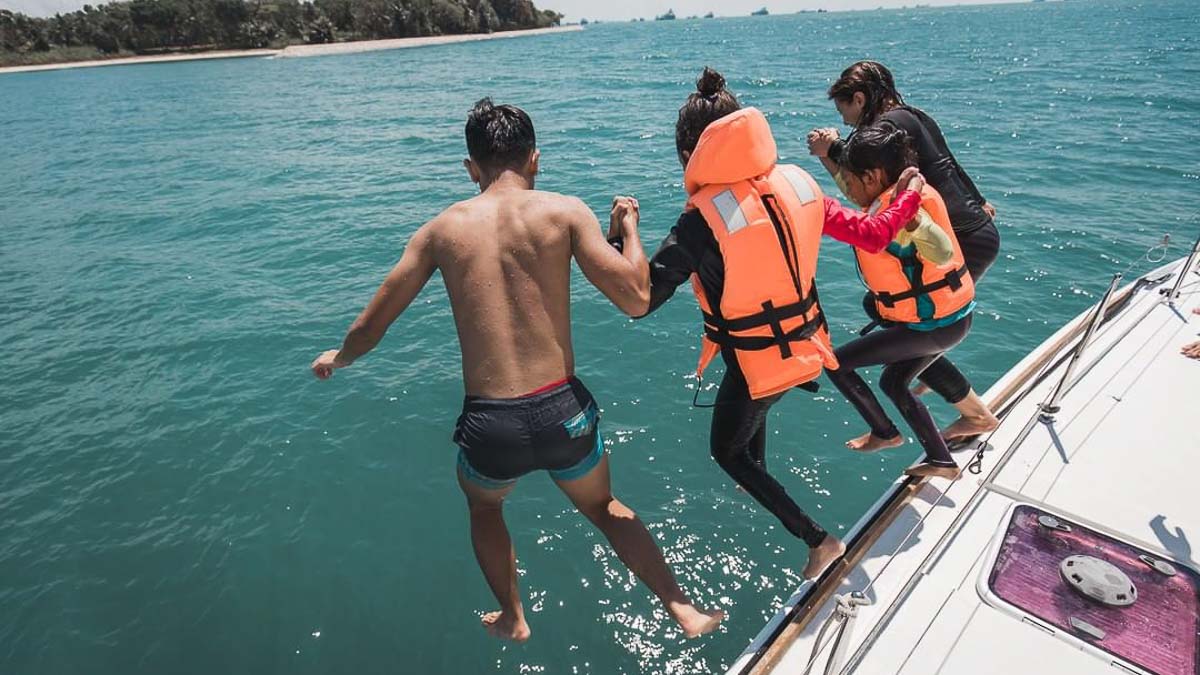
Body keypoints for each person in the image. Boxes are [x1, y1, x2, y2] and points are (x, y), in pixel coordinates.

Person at [310, 98, 723, 642]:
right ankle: (681, 608)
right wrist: (629, 229)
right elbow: (636, 296)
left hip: (491, 427)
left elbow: (373, 324)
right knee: (603, 506)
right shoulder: (565, 212)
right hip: (563, 413)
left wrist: (339, 357)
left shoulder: (440, 231)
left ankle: (514, 615)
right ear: (535, 160)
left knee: (484, 507)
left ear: (470, 168)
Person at [612, 68, 927, 580]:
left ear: (692, 151)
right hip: (805, 351)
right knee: (752, 418)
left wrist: (624, 231)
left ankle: (820, 541)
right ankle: (755, 472)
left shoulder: (701, 220)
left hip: (760, 361)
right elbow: (871, 233)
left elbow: (640, 298)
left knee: (727, 451)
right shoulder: (799, 184)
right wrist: (909, 191)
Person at [807, 60, 999, 442]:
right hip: (977, 230)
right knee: (896, 317)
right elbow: (948, 165)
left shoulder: (883, 129)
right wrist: (979, 202)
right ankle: (931, 374)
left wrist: (829, 150)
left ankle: (972, 412)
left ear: (859, 98)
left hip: (956, 240)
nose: (845, 120)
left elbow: (863, 190)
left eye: (844, 109)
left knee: (916, 327)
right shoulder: (911, 115)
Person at [824, 126, 977, 480]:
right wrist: (826, 156)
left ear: (873, 176)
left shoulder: (906, 210)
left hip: (933, 326)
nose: (850, 190)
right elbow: (859, 197)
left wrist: (918, 225)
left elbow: (941, 252)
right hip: (949, 319)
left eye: (852, 181)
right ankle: (941, 460)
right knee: (893, 382)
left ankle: (885, 433)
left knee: (836, 364)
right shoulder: (893, 195)